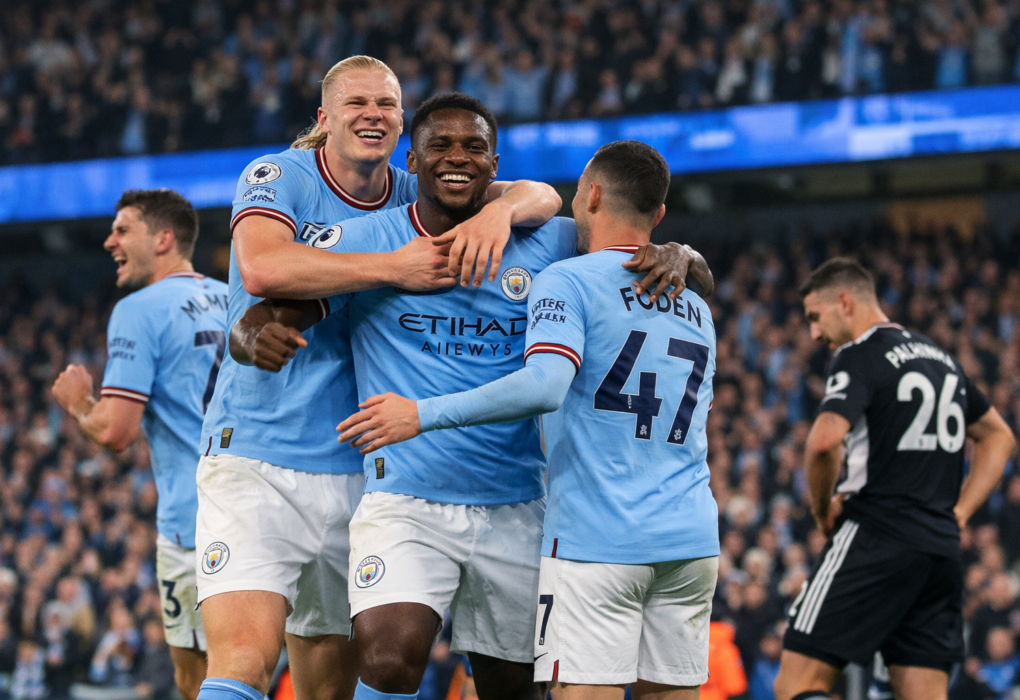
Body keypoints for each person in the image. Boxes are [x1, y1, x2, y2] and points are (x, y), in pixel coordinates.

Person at [234, 100, 712, 700]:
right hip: (407, 497)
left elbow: (636, 257)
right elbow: (276, 305)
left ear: (495, 165)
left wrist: (682, 254)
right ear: (413, 161)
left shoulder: (552, 242)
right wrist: (250, 334)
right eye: (440, 145)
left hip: (516, 501)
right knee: (388, 659)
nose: (457, 158)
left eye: (474, 147)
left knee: (511, 688)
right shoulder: (373, 240)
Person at [194, 56, 565, 700]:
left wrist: (499, 215)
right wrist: (393, 267)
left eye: (386, 104)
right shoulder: (279, 175)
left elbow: (543, 195)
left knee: (336, 687)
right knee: (244, 661)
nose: (372, 115)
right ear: (324, 118)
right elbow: (261, 271)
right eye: (356, 103)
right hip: (260, 451)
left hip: (360, 464)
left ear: (401, 128)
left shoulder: (413, 189)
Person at [771, 258, 1016, 700]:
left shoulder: (858, 354)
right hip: (939, 551)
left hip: (875, 537)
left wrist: (822, 510)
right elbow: (999, 436)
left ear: (845, 302)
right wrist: (960, 511)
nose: (814, 333)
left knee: (796, 684)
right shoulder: (941, 360)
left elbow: (823, 443)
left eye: (815, 316)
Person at [51, 188, 225, 700]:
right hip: (259, 506)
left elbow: (115, 431)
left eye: (123, 230)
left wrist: (79, 402)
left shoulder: (139, 309)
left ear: (164, 239)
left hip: (192, 521)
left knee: (198, 678)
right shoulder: (235, 297)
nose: (110, 242)